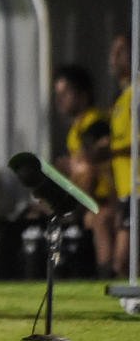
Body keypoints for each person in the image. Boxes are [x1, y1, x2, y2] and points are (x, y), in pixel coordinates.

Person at [52, 64, 116, 277]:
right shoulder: (77, 127)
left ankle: (106, 273)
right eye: (58, 94)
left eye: (66, 93)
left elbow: (91, 165)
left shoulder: (95, 122)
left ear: (83, 94)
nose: (60, 100)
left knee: (97, 220)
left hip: (106, 197)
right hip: (93, 198)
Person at [109, 31, 135, 277]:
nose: (113, 58)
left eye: (120, 52)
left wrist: (107, 151)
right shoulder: (122, 98)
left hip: (138, 189)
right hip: (127, 189)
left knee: (122, 262)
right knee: (123, 263)